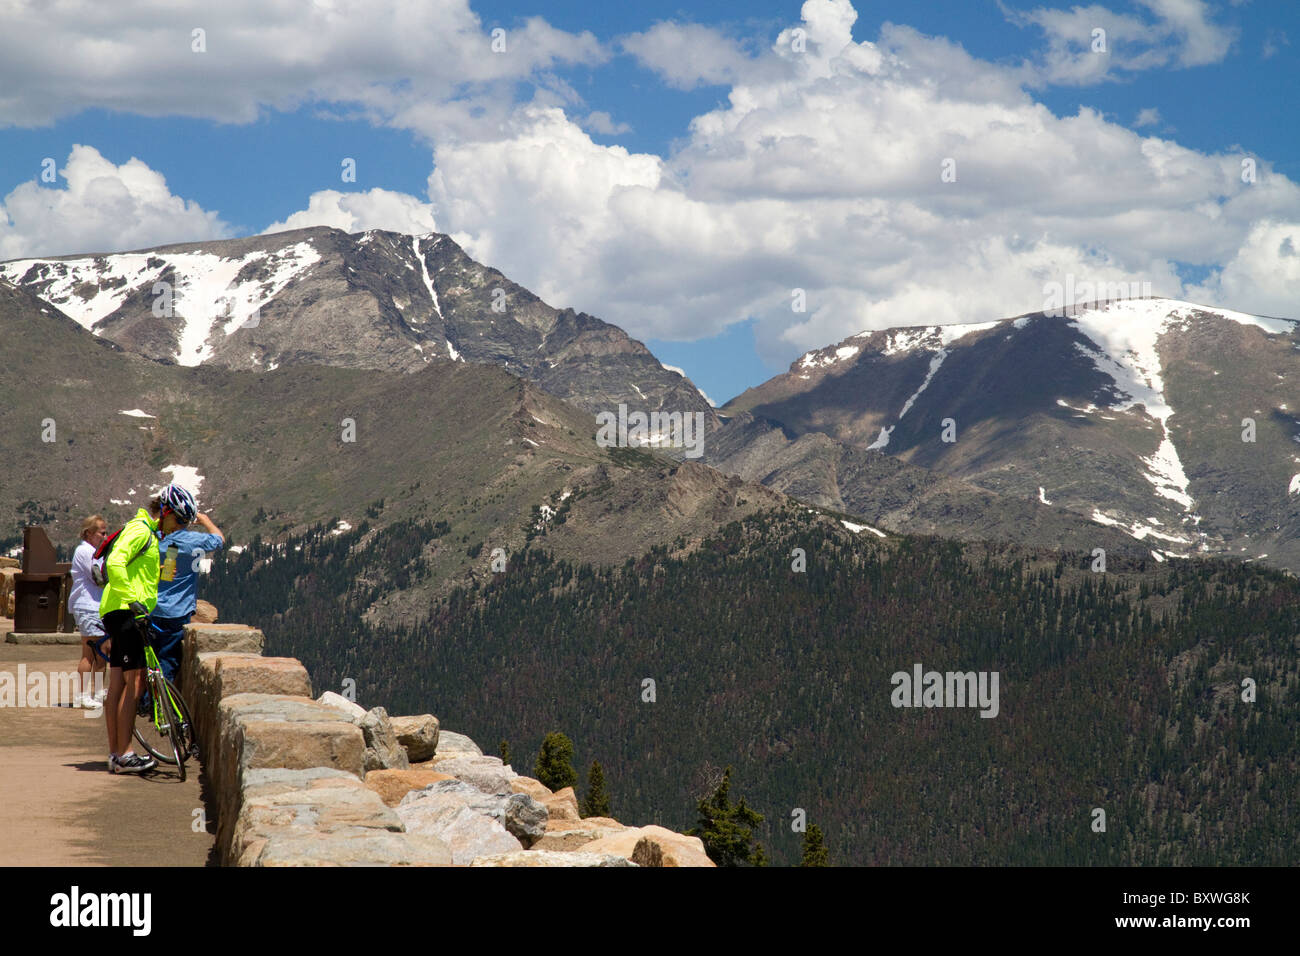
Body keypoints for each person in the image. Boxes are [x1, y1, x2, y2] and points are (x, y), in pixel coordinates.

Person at [98, 484, 195, 774]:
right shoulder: (141, 530)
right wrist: (132, 601)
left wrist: (165, 573)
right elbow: (115, 562)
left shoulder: (148, 533)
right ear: (165, 512)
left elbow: (137, 572)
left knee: (117, 685)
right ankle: (125, 754)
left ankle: (116, 754)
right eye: (178, 520)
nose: (179, 527)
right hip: (127, 612)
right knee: (135, 683)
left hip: (118, 610)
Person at [145, 508, 223, 702]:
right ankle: (163, 704)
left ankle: (145, 701)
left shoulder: (154, 540)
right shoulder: (191, 541)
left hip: (151, 607)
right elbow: (219, 540)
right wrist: (206, 521)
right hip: (177, 610)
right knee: (168, 661)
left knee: (149, 658)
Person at [69, 515, 110, 709]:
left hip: (97, 605)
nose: (105, 536)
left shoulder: (95, 552)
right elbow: (99, 578)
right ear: (89, 533)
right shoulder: (85, 552)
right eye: (102, 533)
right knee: (90, 653)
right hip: (88, 606)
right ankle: (82, 695)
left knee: (102, 651)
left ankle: (100, 691)